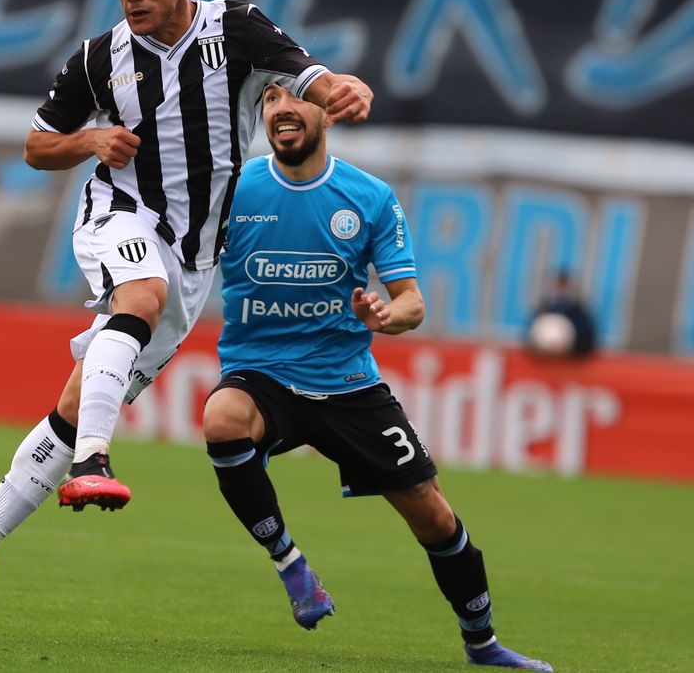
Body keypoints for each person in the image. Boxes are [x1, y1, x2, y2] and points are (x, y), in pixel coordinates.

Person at [0, 0, 375, 628]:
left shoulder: (234, 29)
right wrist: (90, 138)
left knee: (75, 408)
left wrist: (342, 88)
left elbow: (310, 75)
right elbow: (37, 148)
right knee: (140, 292)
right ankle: (94, 466)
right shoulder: (97, 59)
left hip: (196, 260)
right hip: (119, 214)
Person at [202, 84, 554, 670]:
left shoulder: (368, 196)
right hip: (261, 374)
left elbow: (412, 301)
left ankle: (482, 642)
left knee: (434, 515)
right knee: (221, 418)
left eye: (295, 98)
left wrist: (388, 316)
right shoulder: (235, 189)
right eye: (269, 100)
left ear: (325, 112)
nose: (281, 109)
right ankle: (291, 565)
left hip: (347, 384)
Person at [524, 270, 597, 358]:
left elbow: (587, 337)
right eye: (559, 286)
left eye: (564, 286)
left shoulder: (579, 313)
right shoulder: (544, 310)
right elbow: (530, 331)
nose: (561, 291)